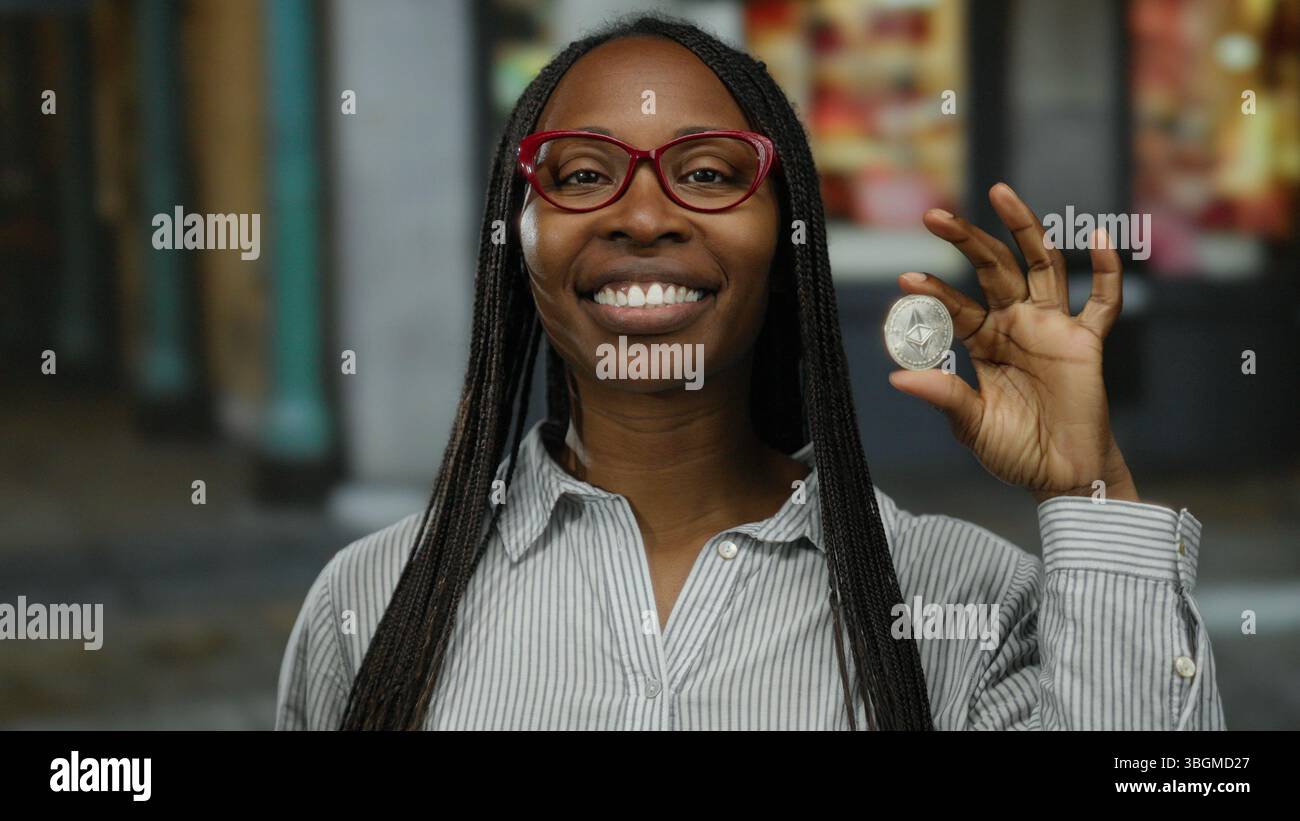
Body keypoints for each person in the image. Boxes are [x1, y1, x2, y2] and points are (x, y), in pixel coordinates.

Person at [275, 13, 1223, 730]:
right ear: (520, 239)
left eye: (710, 173)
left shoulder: (961, 603)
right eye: (579, 174)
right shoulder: (373, 601)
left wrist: (1093, 494)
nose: (643, 215)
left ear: (789, 239)